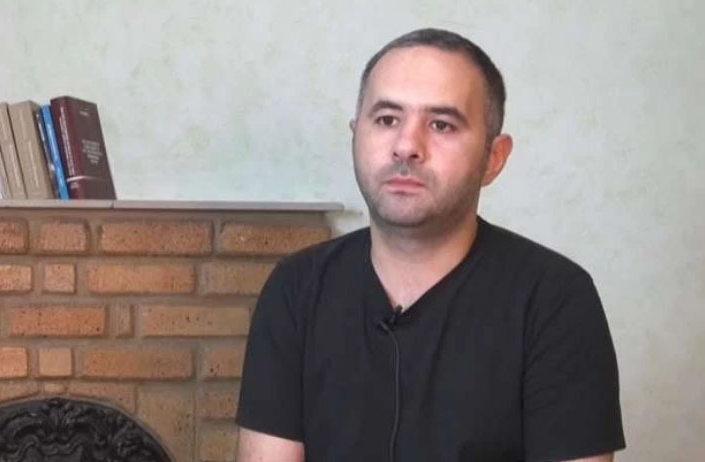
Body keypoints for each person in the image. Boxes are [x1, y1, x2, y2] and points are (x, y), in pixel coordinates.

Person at [235, 28, 625, 462]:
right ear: (355, 134)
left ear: (494, 157)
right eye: (387, 119)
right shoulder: (296, 288)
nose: (407, 146)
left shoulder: (554, 299)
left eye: (441, 124)